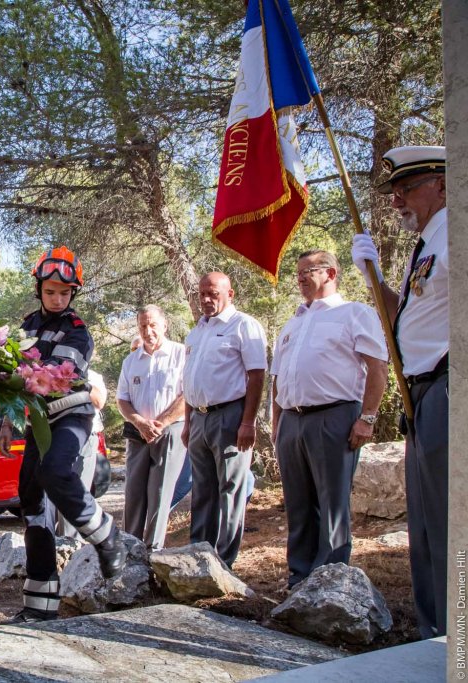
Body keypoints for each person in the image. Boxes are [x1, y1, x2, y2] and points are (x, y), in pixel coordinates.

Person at [0, 246, 126, 622]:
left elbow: (52, 374)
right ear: (39, 289)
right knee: (32, 503)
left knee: (54, 472)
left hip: (72, 414)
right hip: (37, 421)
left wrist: (8, 372)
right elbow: (15, 376)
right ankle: (39, 607)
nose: (57, 298)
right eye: (51, 291)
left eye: (64, 293)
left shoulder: (77, 330)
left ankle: (105, 534)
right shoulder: (27, 325)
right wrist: (7, 420)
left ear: (73, 294)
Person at [351, 145, 447, 638]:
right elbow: (399, 321)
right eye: (393, 192)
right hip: (424, 392)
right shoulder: (426, 246)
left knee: (450, 526)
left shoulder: (454, 233)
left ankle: (459, 640)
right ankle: (439, 636)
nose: (396, 202)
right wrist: (376, 277)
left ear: (444, 185)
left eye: (406, 189)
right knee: (428, 529)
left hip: (449, 385)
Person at [271, 250, 388, 589]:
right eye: (298, 273)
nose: (301, 277)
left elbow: (377, 367)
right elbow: (278, 379)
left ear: (332, 273)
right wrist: (278, 425)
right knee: (298, 504)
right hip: (292, 422)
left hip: (334, 417)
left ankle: (330, 580)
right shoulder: (293, 322)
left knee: (331, 504)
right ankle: (299, 577)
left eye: (309, 270)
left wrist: (367, 418)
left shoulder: (353, 313)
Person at [182, 272, 267, 567]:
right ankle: (198, 554)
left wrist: (248, 422)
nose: (206, 299)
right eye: (201, 293)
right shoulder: (197, 331)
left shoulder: (243, 325)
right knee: (202, 488)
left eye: (213, 293)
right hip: (198, 418)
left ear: (229, 294)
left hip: (230, 416)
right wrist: (187, 422)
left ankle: (223, 559)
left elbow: (257, 376)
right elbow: (188, 380)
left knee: (230, 488)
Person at [116, 304, 187, 550]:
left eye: (153, 325)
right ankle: (129, 548)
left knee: (160, 493)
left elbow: (187, 394)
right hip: (137, 433)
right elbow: (122, 400)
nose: (148, 331)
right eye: (143, 326)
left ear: (164, 326)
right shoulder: (131, 361)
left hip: (169, 431)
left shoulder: (180, 354)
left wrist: (161, 422)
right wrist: (140, 422)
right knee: (134, 494)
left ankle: (152, 551)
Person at [55, 368, 108, 539]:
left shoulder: (93, 376)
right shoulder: (51, 371)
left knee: (76, 490)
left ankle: (72, 544)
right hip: (56, 437)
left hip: (85, 437)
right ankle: (61, 542)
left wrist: (82, 383)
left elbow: (100, 402)